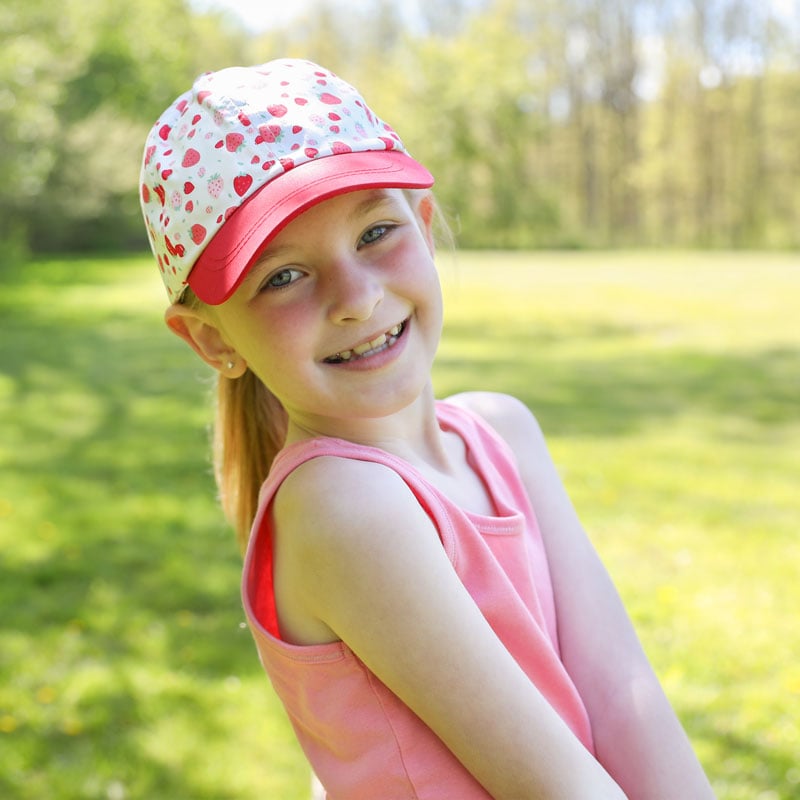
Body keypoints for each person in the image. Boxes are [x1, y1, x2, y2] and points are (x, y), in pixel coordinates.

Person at [139, 58, 715, 799]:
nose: (357, 297)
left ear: (425, 223)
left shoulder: (505, 432)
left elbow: (623, 695)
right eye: (283, 275)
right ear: (212, 340)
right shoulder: (341, 505)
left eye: (375, 232)